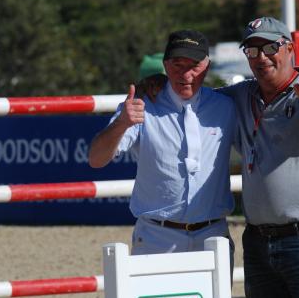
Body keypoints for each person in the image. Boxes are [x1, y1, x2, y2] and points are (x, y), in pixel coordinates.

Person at [140, 17, 299, 298]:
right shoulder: (240, 95)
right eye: (252, 50)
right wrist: (158, 80)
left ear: (289, 48)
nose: (261, 57)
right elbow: (193, 92)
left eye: (269, 47)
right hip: (257, 241)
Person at [88, 30, 237, 260]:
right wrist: (121, 123)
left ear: (207, 66)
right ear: (165, 65)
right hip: (157, 237)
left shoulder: (227, 106)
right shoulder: (141, 105)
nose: (186, 73)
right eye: (178, 64)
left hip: (212, 236)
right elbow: (96, 159)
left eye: (194, 65)